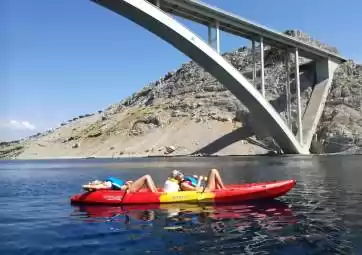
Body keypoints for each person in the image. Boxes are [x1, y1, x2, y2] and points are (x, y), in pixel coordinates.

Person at [83, 175, 158, 193]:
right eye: (93, 182)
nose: (94, 180)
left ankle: (156, 192)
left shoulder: (106, 181)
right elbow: (97, 188)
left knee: (147, 177)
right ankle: (156, 194)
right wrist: (89, 186)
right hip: (129, 189)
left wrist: (127, 182)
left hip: (129, 186)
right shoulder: (106, 184)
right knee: (147, 177)